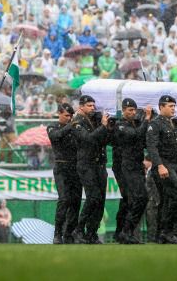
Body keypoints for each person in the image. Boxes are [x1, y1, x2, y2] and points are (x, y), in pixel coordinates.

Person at [146, 95, 177, 244]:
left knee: (167, 200)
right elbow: (151, 146)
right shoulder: (155, 124)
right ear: (161, 107)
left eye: (174, 106)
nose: (173, 109)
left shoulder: (175, 124)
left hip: (176, 165)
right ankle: (167, 231)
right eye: (170, 106)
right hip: (163, 165)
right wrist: (160, 165)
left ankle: (161, 235)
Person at [70, 95, 111, 244]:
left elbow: (104, 140)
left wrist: (106, 127)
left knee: (100, 200)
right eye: (89, 105)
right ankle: (79, 229)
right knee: (92, 197)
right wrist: (103, 126)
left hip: (99, 164)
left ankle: (92, 232)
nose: (93, 108)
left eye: (94, 105)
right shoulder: (76, 122)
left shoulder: (94, 120)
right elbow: (88, 140)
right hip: (86, 164)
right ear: (81, 106)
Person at [113, 98, 151, 244]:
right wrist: (147, 118)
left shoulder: (136, 123)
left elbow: (143, 137)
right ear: (123, 110)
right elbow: (135, 135)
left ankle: (123, 232)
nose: (133, 112)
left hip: (137, 165)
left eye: (135, 110)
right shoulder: (120, 125)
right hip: (128, 166)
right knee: (139, 198)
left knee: (133, 200)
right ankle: (126, 231)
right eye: (130, 110)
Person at [47, 103, 81, 244]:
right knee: (64, 199)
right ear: (59, 114)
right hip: (61, 167)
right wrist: (71, 125)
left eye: (71, 116)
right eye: (67, 115)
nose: (69, 118)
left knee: (76, 201)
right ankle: (57, 233)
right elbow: (56, 136)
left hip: (75, 167)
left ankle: (69, 234)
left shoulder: (75, 128)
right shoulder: (52, 127)